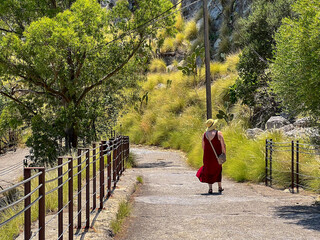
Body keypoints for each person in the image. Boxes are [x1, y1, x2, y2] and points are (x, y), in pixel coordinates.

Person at [196, 119, 226, 194]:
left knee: (209, 170)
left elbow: (203, 146)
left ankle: (210, 188)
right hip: (217, 156)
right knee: (218, 170)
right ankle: (219, 187)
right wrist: (224, 153)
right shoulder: (219, 134)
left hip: (207, 156)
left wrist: (207, 153)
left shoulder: (205, 134)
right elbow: (223, 145)